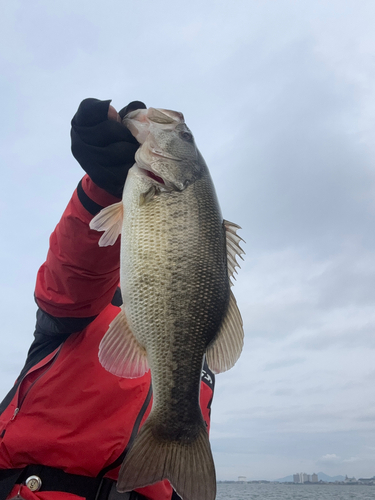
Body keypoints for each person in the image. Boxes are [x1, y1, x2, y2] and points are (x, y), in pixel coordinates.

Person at [0, 99, 215, 500]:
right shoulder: (78, 310)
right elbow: (74, 271)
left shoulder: (194, 345)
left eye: (184, 137)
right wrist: (104, 185)